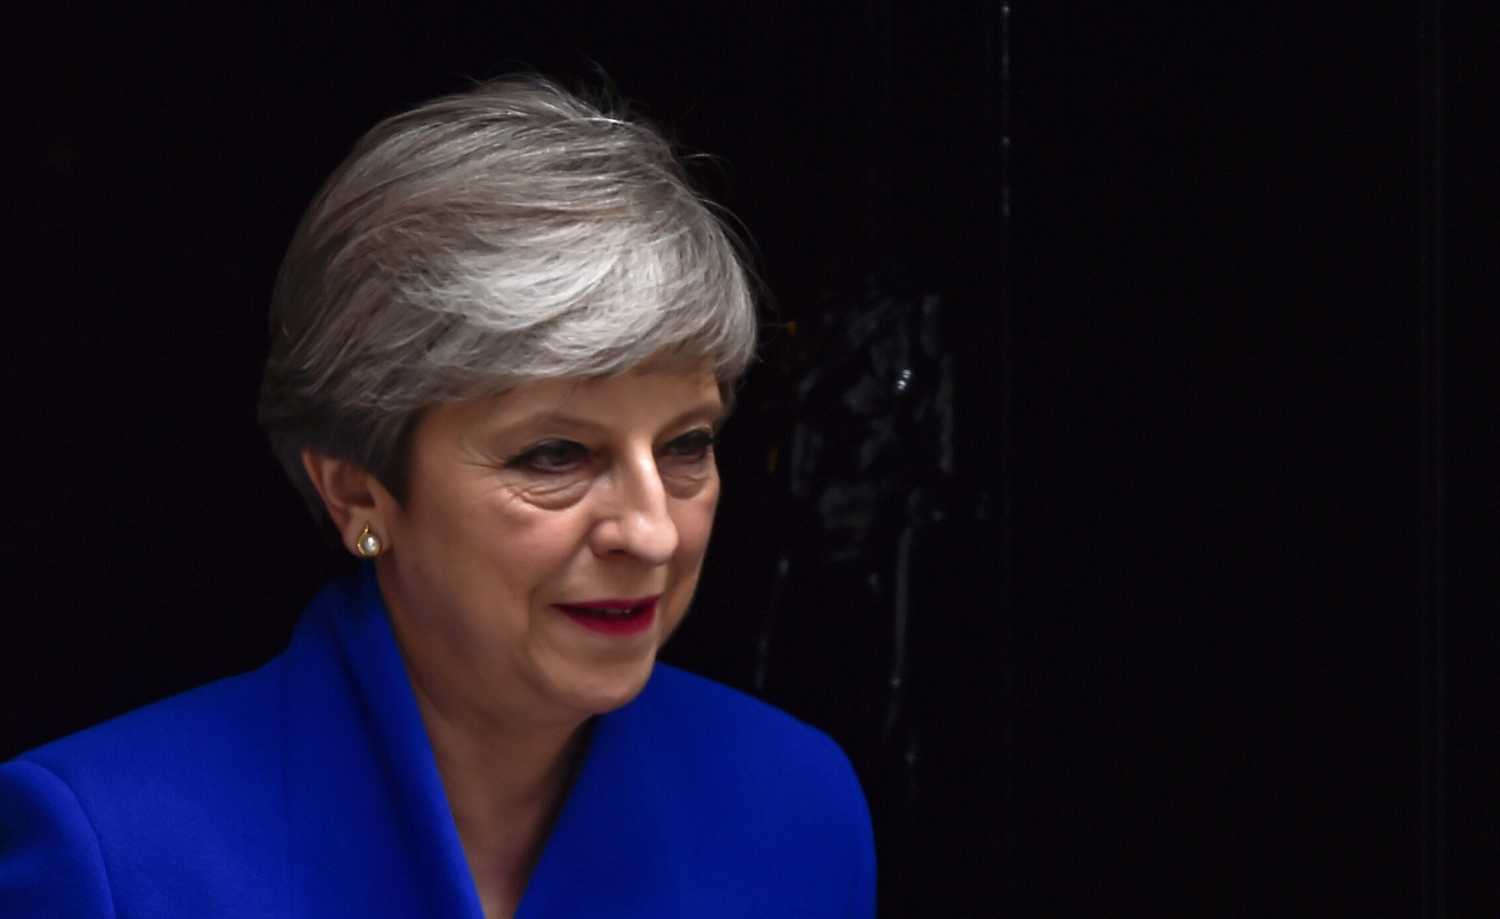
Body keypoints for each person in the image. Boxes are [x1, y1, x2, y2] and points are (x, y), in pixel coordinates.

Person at [0, 77, 875, 918]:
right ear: (356, 493)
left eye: (686, 445)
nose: (651, 532)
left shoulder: (793, 807)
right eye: (555, 454)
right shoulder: (109, 852)